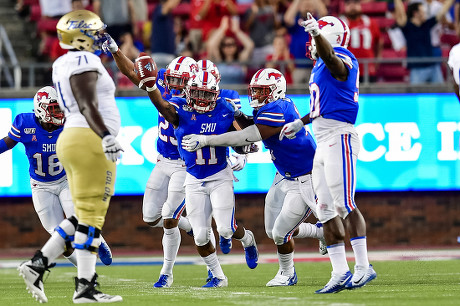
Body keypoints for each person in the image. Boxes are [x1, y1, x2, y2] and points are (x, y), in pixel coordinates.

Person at [181, 68, 326, 287]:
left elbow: (249, 135)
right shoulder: (270, 107)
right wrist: (240, 116)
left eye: (262, 91)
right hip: (284, 175)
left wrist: (206, 140)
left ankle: (289, 273)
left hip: (306, 177)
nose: (256, 96)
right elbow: (254, 126)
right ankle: (318, 232)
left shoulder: (279, 107)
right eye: (255, 91)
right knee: (272, 229)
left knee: (280, 233)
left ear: (276, 91)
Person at [18, 10, 123, 303]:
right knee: (92, 216)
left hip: (74, 139)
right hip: (88, 138)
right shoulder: (84, 59)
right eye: (93, 31)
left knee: (82, 214)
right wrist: (106, 136)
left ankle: (40, 265)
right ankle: (83, 286)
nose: (98, 35)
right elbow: (88, 104)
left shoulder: (63, 61)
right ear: (81, 35)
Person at [278, 13, 376, 293]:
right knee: (324, 210)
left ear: (328, 37)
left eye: (315, 37)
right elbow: (325, 104)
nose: (310, 43)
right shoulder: (320, 64)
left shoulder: (342, 57)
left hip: (339, 137)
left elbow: (335, 62)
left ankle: (363, 266)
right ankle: (339, 272)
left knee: (345, 204)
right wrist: (302, 121)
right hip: (322, 141)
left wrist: (319, 36)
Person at [3, 86, 112, 272]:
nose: (59, 112)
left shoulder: (70, 123)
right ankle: (87, 272)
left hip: (65, 181)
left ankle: (99, 240)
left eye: (60, 107)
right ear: (40, 109)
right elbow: (8, 142)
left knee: (78, 220)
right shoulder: (24, 123)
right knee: (58, 236)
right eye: (53, 108)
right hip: (40, 185)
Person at [394, 0, 454, 84]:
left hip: (432, 66)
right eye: (423, 12)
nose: (425, 14)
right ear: (416, 13)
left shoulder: (427, 24)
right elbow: (400, 12)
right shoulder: (407, 26)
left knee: (440, 93)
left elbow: (442, 10)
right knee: (416, 95)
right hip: (416, 68)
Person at [340, 0, 383, 83]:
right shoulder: (340, 24)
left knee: (369, 95)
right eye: (349, 4)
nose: (352, 6)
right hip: (346, 69)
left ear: (360, 5)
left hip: (368, 69)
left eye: (355, 3)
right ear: (344, 7)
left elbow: (379, 42)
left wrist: (377, 61)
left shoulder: (370, 22)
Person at [206, 16, 254, 84]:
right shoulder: (218, 60)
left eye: (232, 44)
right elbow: (211, 45)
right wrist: (222, 29)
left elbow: (250, 45)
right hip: (221, 94)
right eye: (225, 45)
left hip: (238, 94)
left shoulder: (241, 59)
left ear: (236, 46)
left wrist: (237, 31)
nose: (228, 47)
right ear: (221, 48)